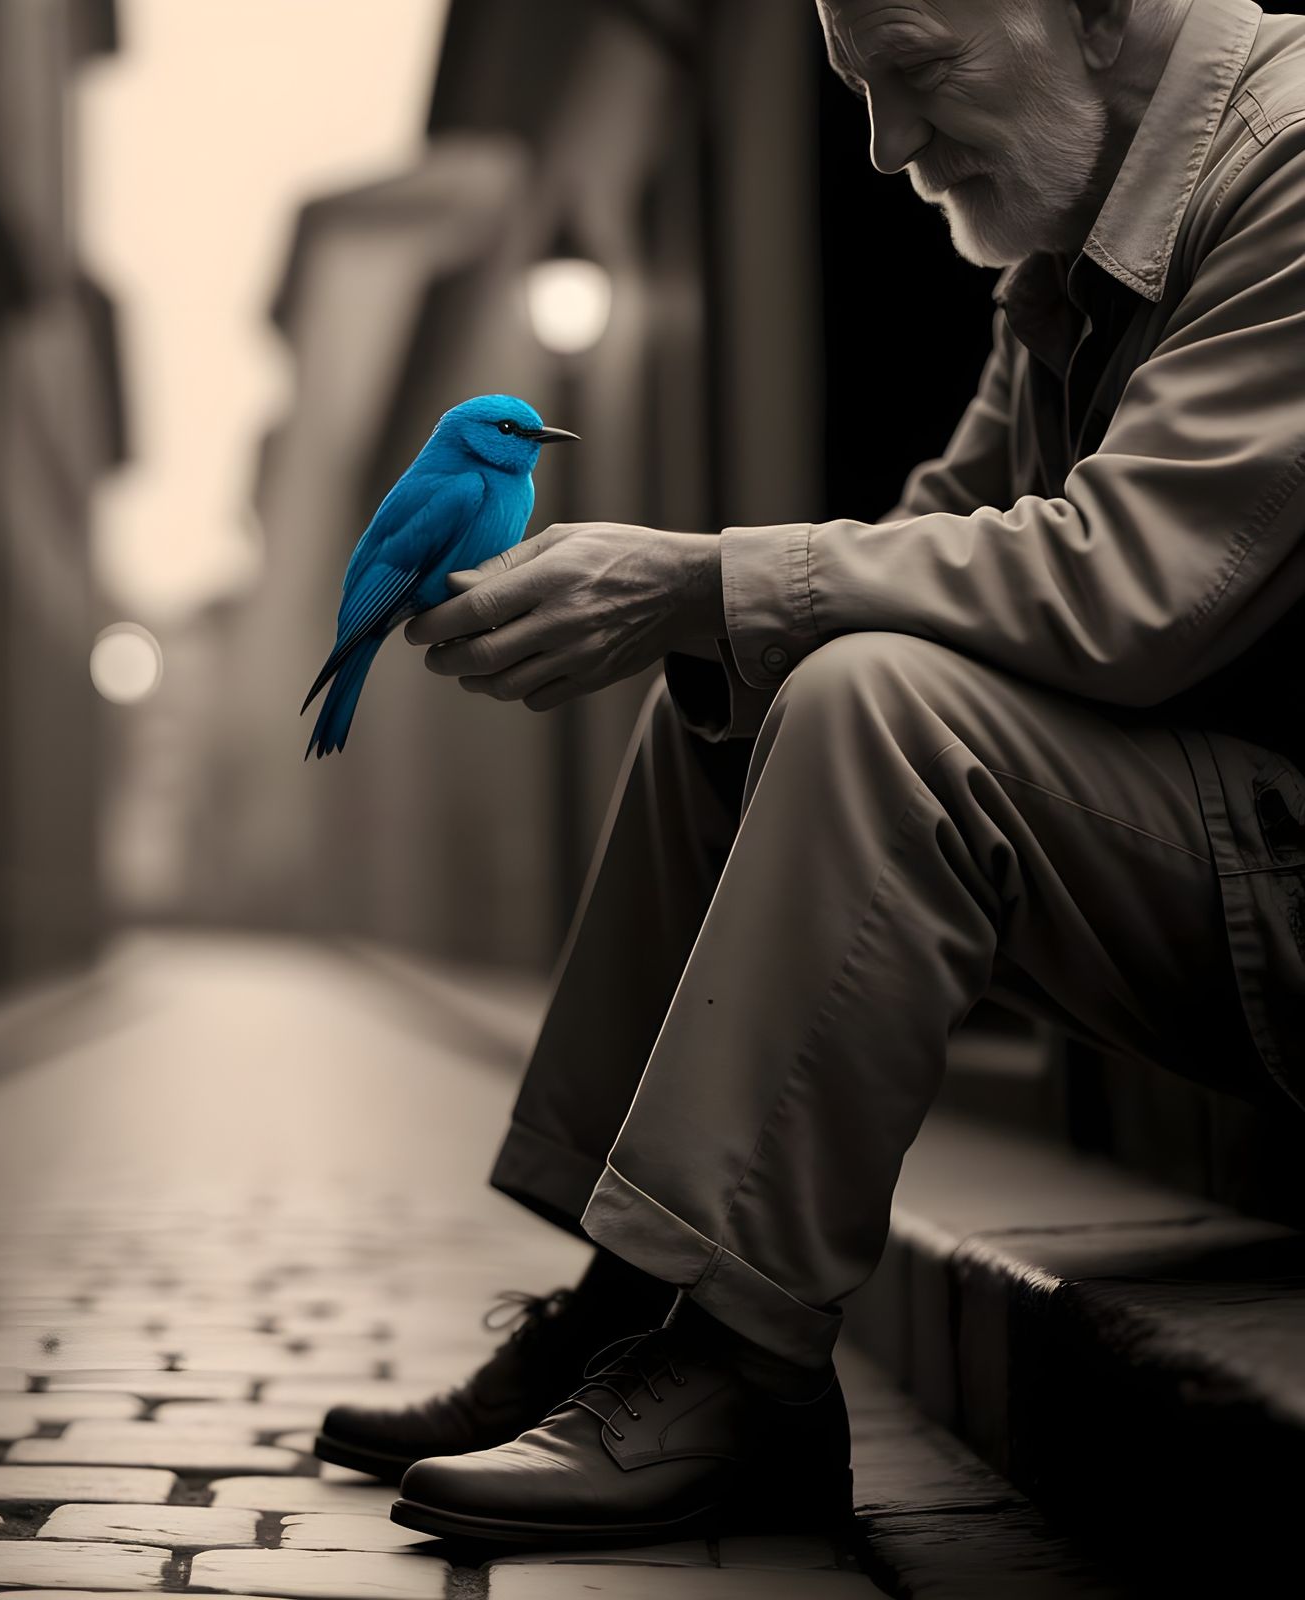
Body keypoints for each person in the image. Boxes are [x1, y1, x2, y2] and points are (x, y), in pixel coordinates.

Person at [315, 0, 1305, 1549]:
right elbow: (927, 543)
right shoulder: (1077, 246)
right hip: (1230, 856)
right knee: (749, 678)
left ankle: (741, 1364)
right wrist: (708, 605)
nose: (885, 146)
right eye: (856, 90)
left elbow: (1136, 583)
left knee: (863, 694)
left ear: (1101, 11)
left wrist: (699, 576)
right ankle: (633, 1303)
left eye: (911, 73)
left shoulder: (1293, 165)